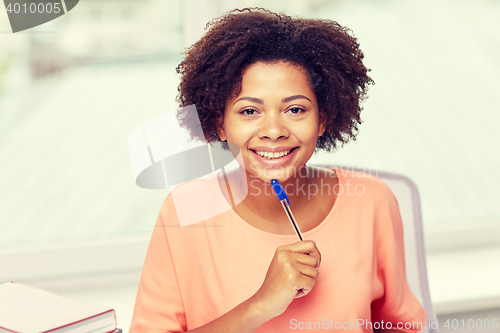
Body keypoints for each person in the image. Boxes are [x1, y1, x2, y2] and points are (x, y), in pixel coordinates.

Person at [130, 8, 427, 333]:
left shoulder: (372, 201)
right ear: (220, 123)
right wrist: (262, 304)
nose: (273, 130)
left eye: (295, 109)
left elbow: (401, 325)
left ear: (323, 119)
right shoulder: (185, 209)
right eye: (249, 111)